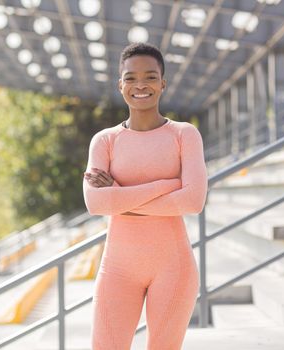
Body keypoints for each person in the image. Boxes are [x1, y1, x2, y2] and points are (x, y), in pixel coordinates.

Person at [82, 42, 208, 349]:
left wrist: (120, 196)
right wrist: (168, 185)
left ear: (163, 83)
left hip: (174, 269)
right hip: (117, 269)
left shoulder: (184, 135)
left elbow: (192, 201)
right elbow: (96, 203)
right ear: (120, 84)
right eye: (131, 78)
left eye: (150, 77)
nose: (140, 85)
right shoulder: (105, 141)